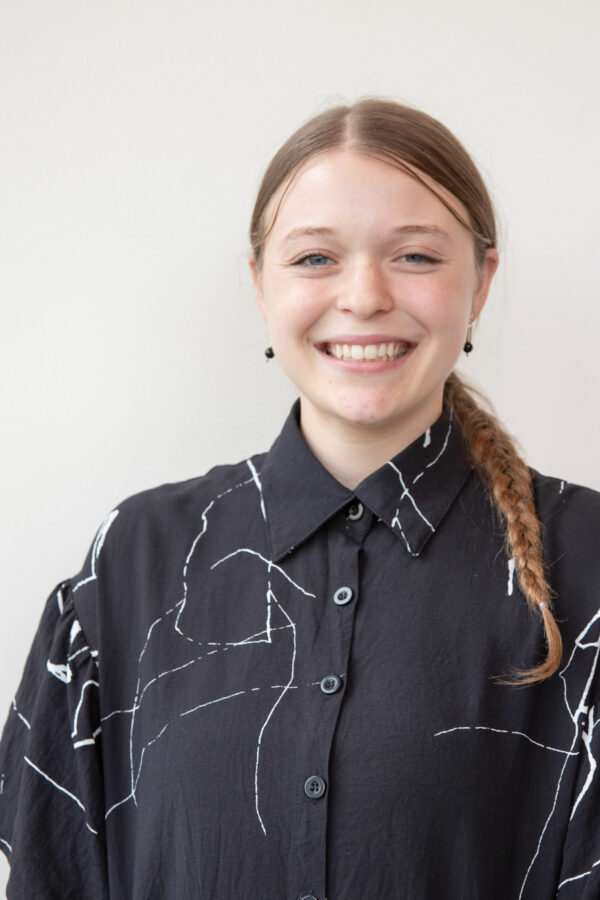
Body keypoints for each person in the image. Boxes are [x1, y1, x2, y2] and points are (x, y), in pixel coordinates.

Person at [0, 97, 599, 900]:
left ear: (481, 283)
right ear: (260, 285)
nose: (364, 296)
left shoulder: (587, 559)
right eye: (315, 257)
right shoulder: (130, 561)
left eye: (416, 256)